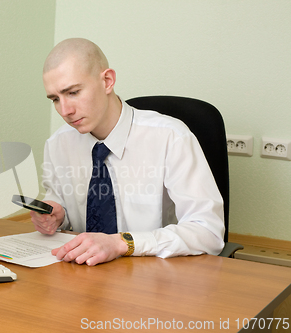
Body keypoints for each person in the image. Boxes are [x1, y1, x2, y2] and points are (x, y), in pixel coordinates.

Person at [31, 38, 225, 266]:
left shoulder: (170, 137)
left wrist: (122, 243)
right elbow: (62, 201)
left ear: (107, 81)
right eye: (55, 99)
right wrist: (59, 215)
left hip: (156, 277)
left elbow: (208, 231)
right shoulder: (58, 144)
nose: (65, 110)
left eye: (73, 92)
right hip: (83, 274)